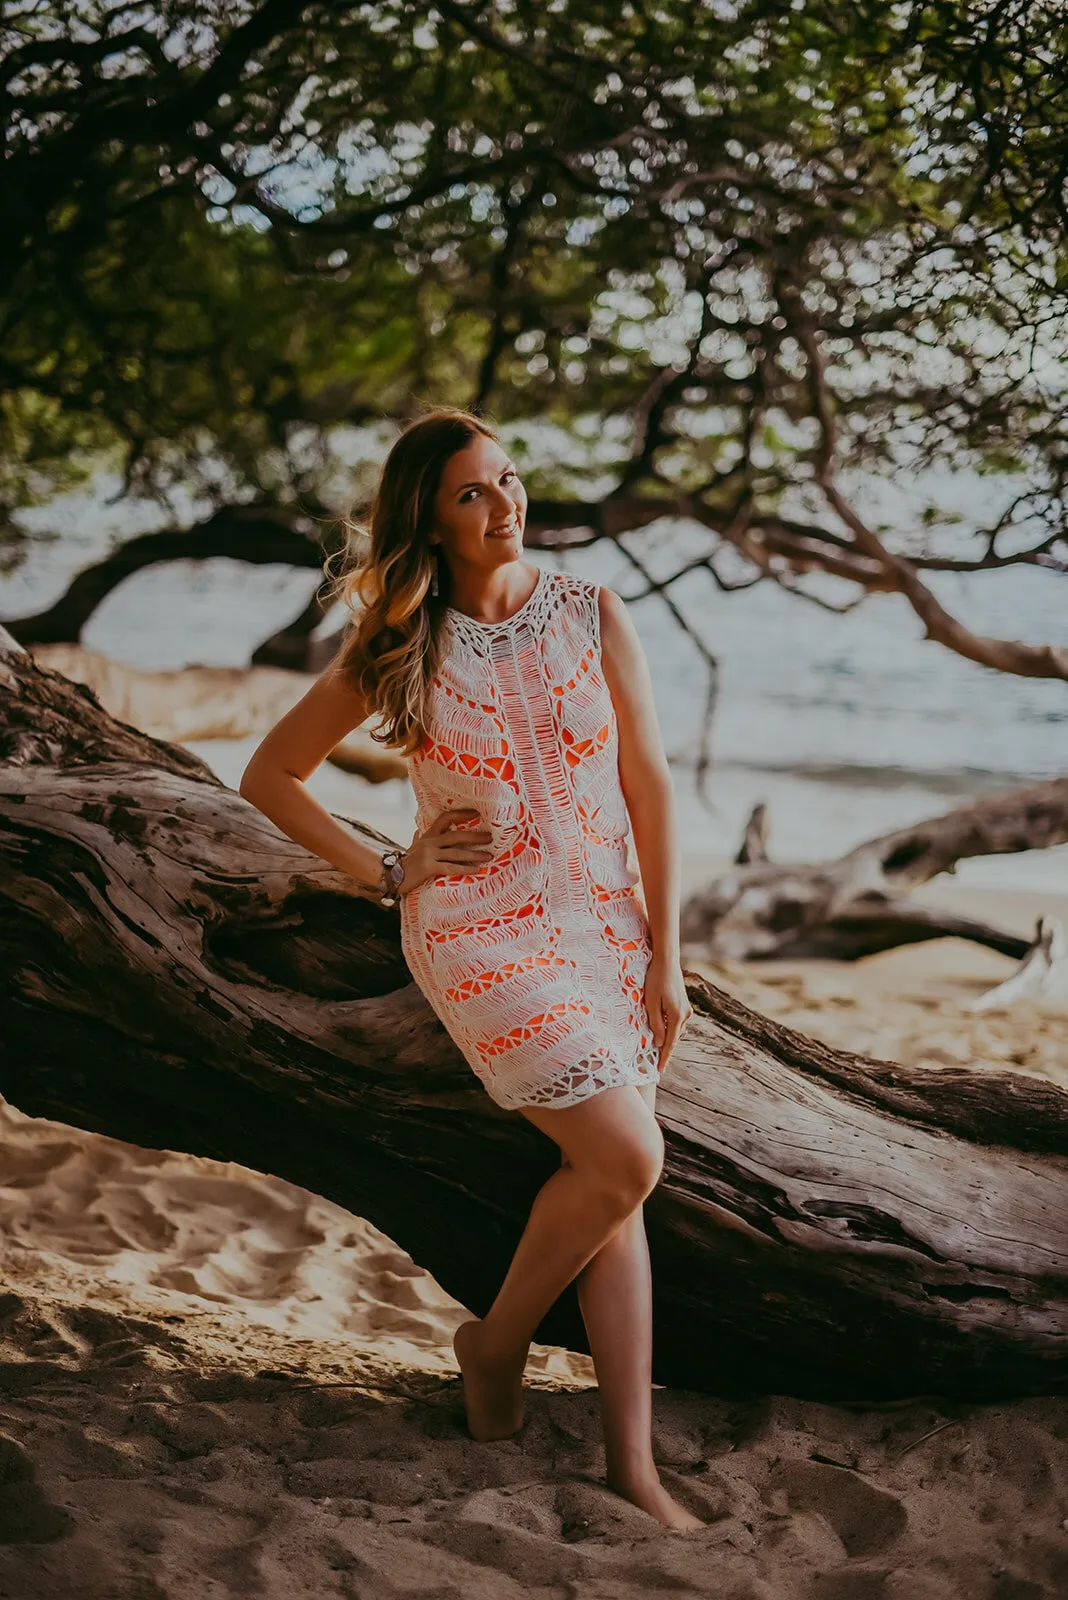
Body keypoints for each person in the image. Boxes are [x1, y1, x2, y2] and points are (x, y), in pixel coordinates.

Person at [239, 406, 701, 1531]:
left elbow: (650, 784)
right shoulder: (404, 642)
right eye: (472, 495)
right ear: (430, 523)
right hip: (478, 925)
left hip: (604, 925)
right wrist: (390, 868)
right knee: (629, 1152)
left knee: (619, 1185)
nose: (505, 507)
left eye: (508, 480)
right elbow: (272, 772)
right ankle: (493, 1349)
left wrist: (669, 955)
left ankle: (630, 1465)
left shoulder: (595, 611)